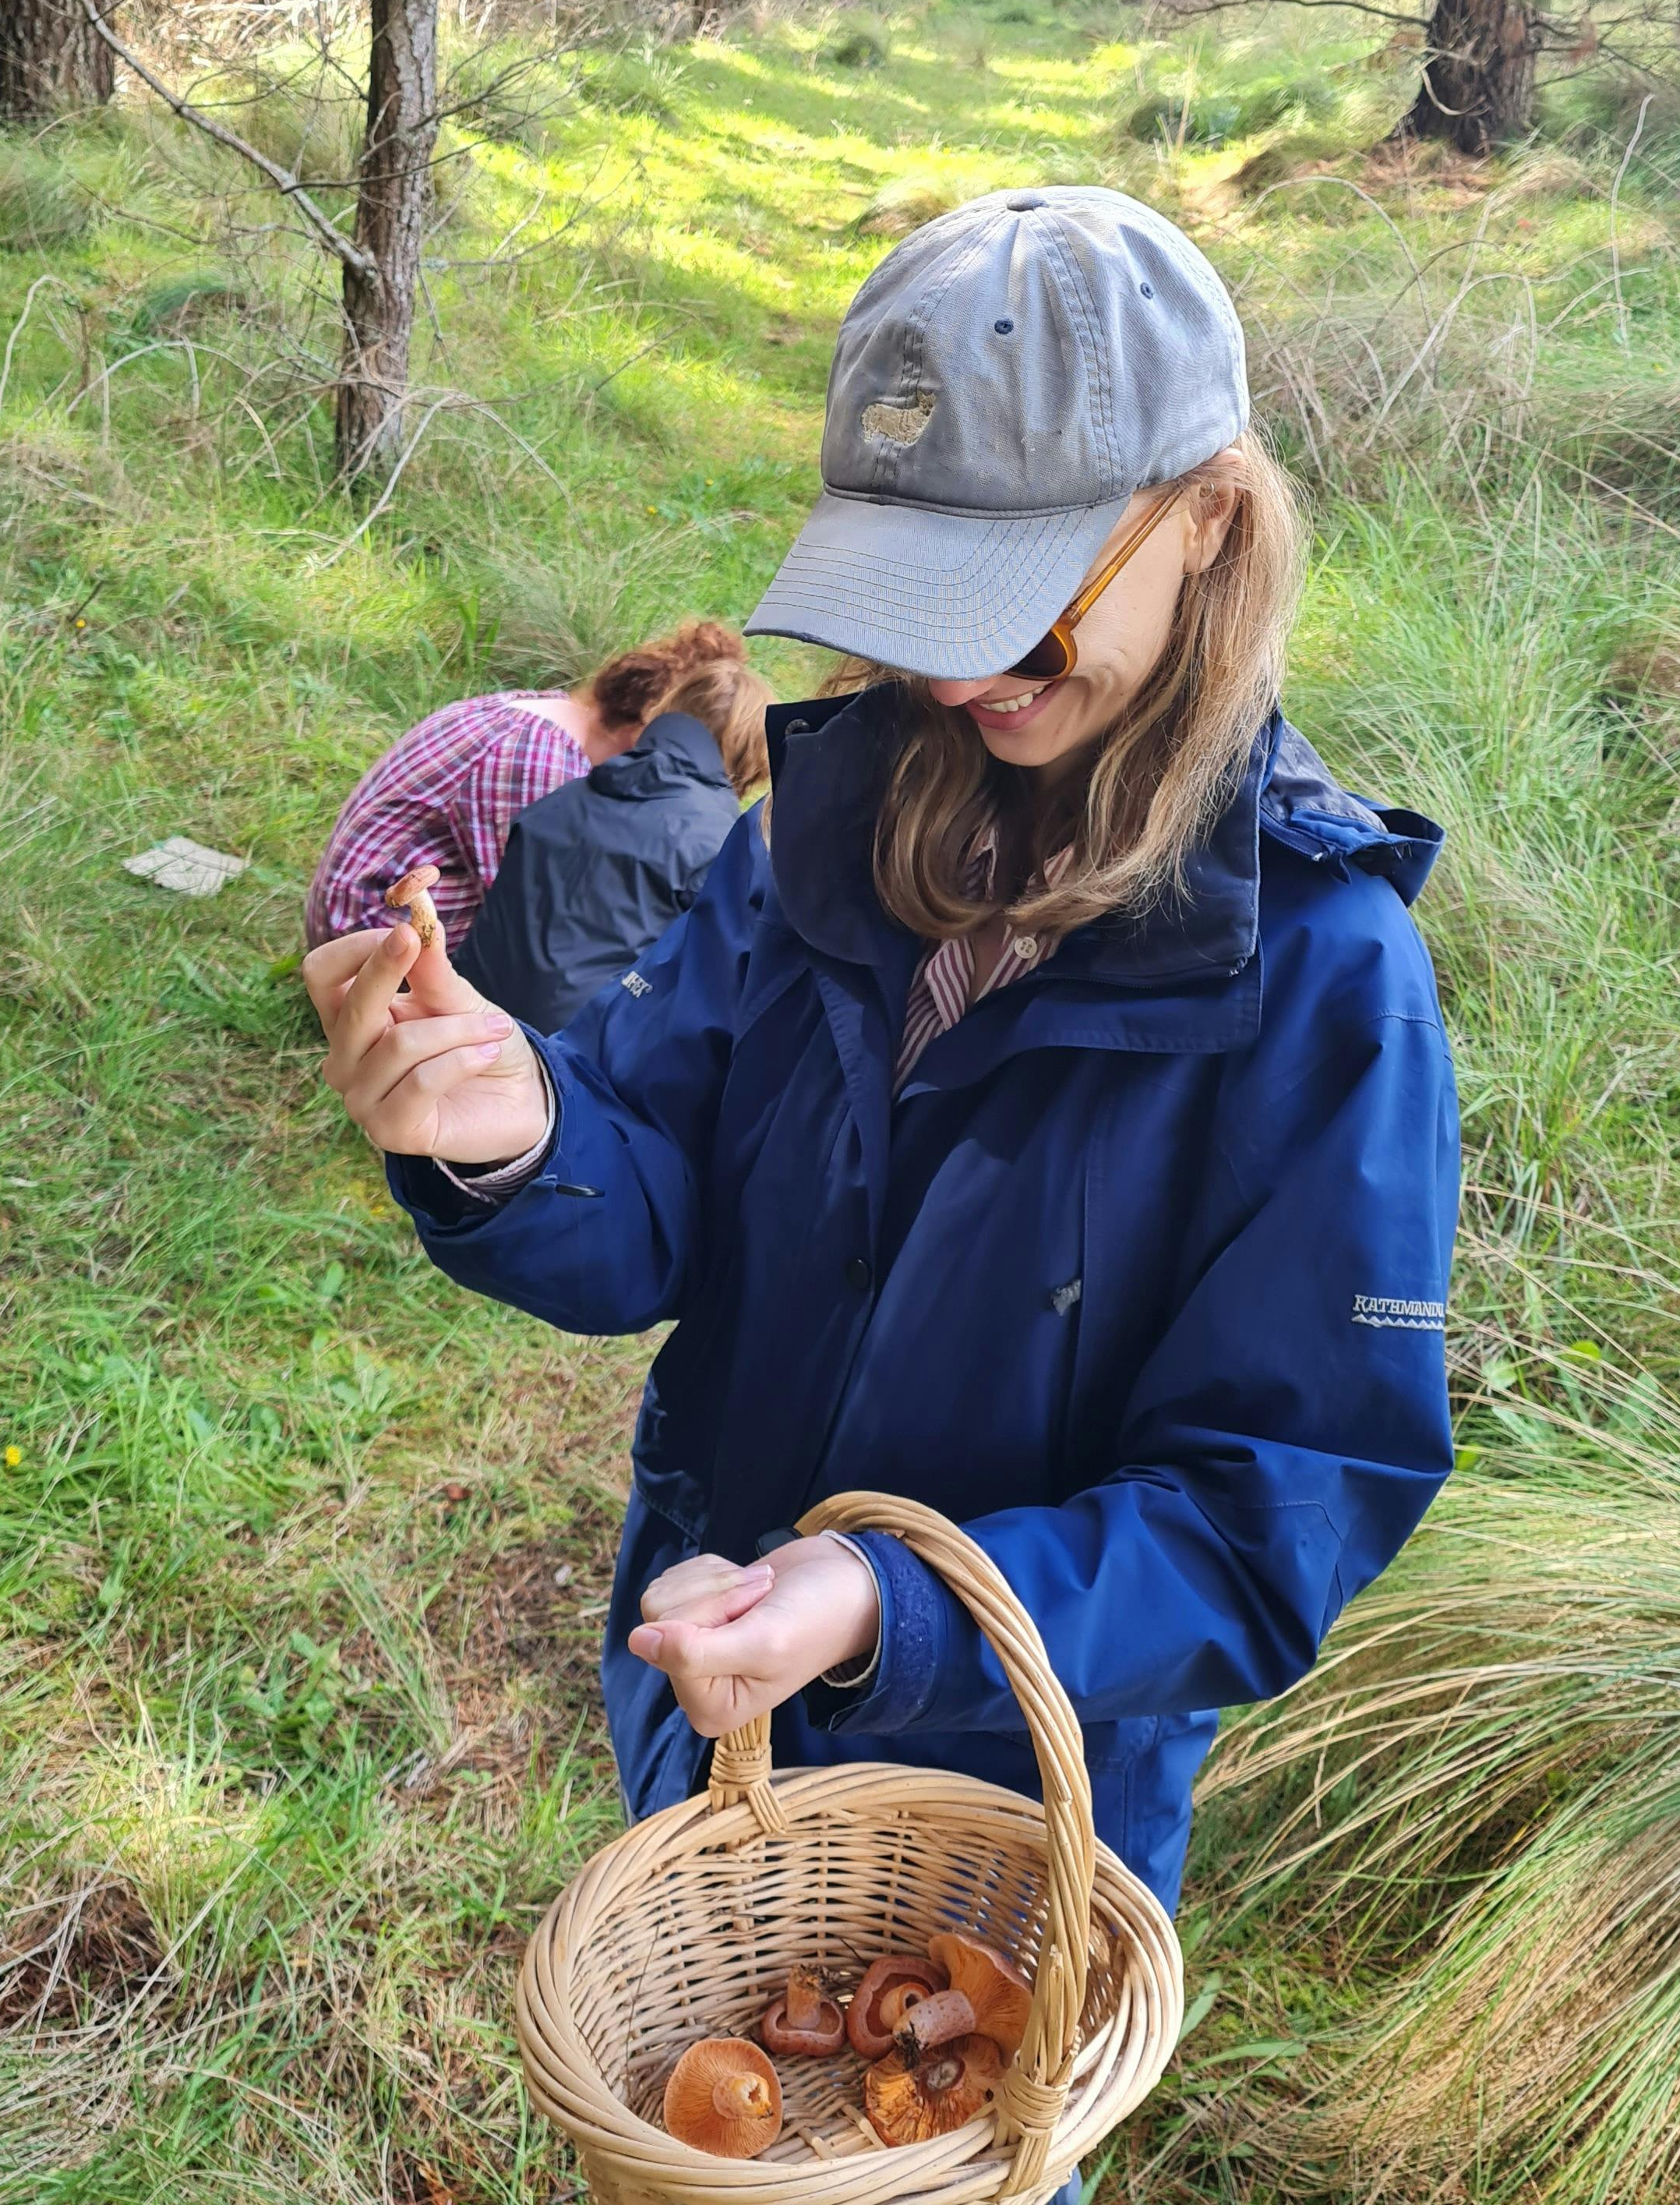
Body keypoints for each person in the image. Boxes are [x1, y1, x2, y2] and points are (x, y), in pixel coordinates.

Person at [304, 188, 1458, 1938]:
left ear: (1211, 522)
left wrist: (893, 1604)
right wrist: (523, 1129)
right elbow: (659, 1187)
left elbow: (1272, 1511)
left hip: (1009, 1812)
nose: (956, 670)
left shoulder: (1316, 978)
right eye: (915, 601)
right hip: (719, 1725)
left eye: (1021, 603)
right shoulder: (815, 841)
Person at [304, 617, 746, 947]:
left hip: (367, 919)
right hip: (365, 946)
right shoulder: (542, 763)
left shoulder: (549, 716)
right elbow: (550, 918)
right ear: (643, 732)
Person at [451, 651, 775, 1033]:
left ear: (667, 712)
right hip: (575, 1056)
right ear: (753, 760)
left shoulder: (569, 793)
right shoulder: (725, 844)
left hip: (464, 1014)